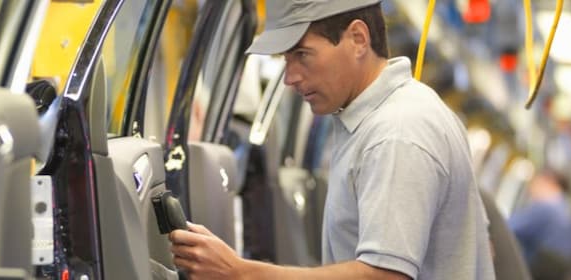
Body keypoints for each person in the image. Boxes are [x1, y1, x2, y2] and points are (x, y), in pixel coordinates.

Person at [167, 0, 495, 279]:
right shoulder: (377, 118)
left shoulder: (397, 131)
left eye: (302, 55)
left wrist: (240, 272)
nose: (291, 77)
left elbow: (384, 275)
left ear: (357, 38)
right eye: (286, 60)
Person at [508, 171, 571, 279]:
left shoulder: (546, 208)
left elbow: (507, 228)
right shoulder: (565, 206)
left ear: (547, 181)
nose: (531, 190)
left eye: (534, 184)